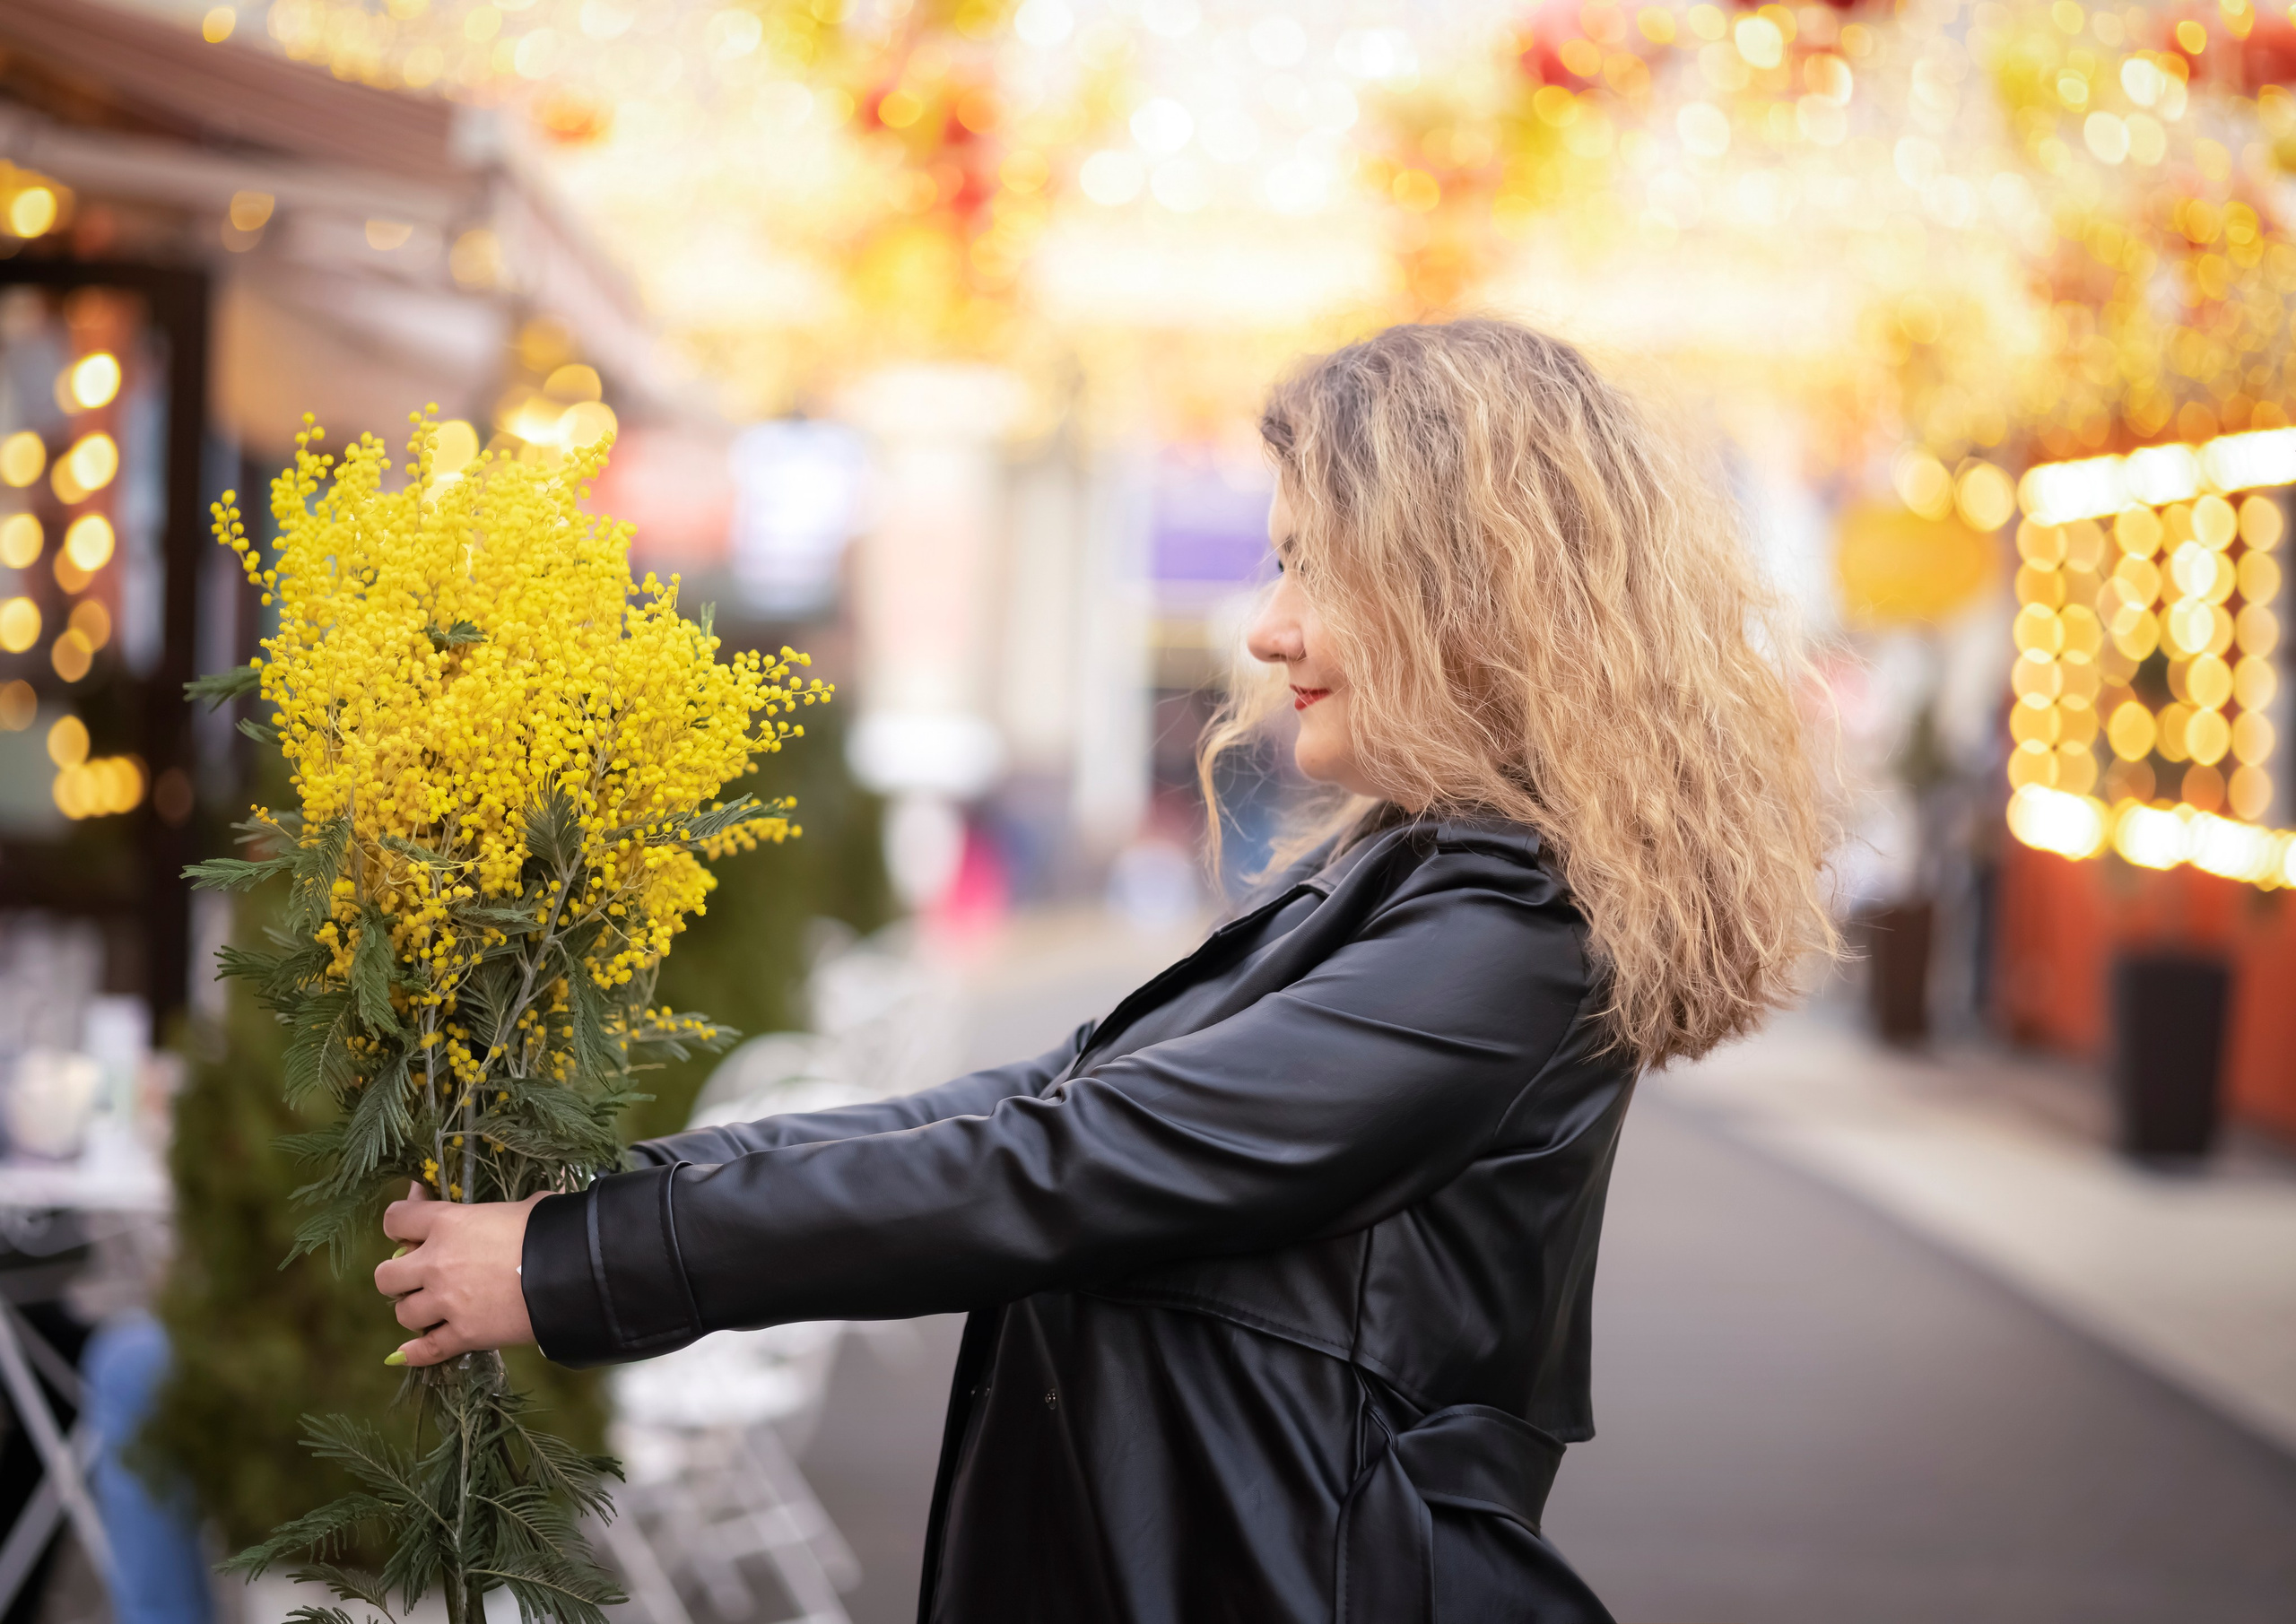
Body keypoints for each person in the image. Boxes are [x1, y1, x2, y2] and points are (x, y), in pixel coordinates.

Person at [374, 318, 1835, 1624]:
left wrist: (593, 1260)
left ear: (1472, 600)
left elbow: (1069, 1159)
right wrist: (607, 1212)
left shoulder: (1508, 932)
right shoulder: (1415, 877)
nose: (1270, 631)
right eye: (1281, 564)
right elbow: (1043, 1098)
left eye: (1318, 569)